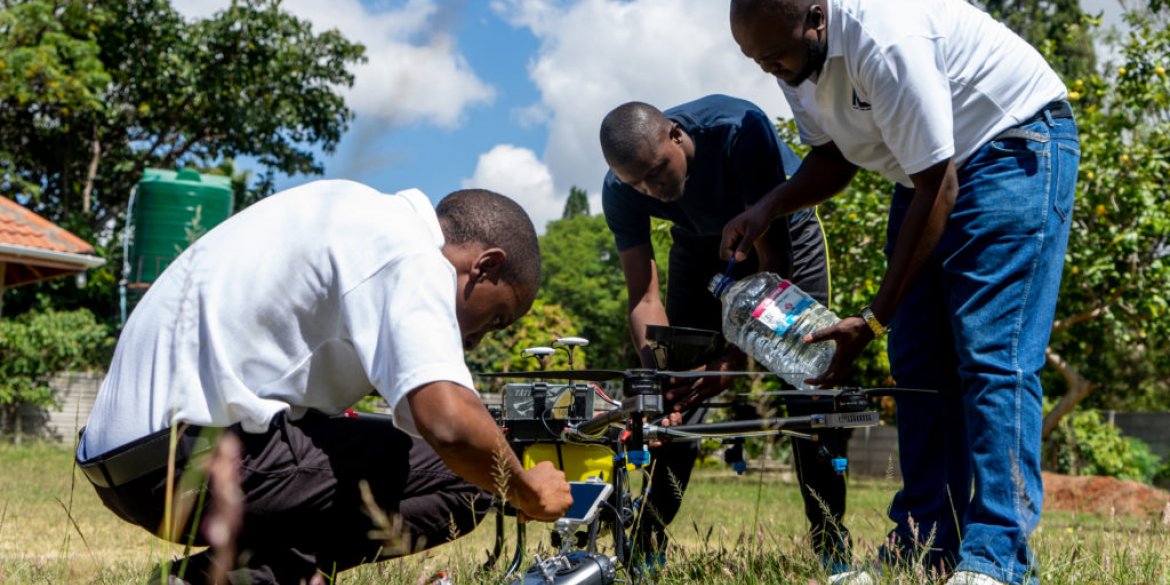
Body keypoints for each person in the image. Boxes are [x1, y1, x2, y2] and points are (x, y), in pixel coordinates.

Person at [725, 1, 1080, 584]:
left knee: (993, 353)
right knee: (917, 363)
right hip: (921, 174)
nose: (769, 68)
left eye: (775, 53)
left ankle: (996, 558)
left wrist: (871, 318)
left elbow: (939, 184)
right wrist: (768, 207)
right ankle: (926, 542)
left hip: (1010, 146)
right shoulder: (793, 62)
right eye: (755, 58)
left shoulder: (884, 40)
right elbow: (834, 155)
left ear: (816, 18)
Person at [76, 180, 573, 584]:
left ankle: (240, 575)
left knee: (382, 448)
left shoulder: (351, 210)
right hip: (186, 457)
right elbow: (448, 423)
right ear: (485, 266)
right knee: (464, 481)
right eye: (497, 318)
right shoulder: (411, 252)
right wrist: (526, 491)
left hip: (127, 464)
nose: (480, 340)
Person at [598, 95, 854, 576]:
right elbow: (642, 296)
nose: (651, 190)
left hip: (777, 235)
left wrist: (734, 360)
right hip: (697, 248)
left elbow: (772, 269)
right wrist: (658, 374)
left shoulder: (737, 131)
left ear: (676, 134)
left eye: (657, 171)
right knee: (680, 394)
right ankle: (647, 544)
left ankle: (830, 544)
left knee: (809, 386)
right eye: (638, 184)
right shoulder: (621, 189)